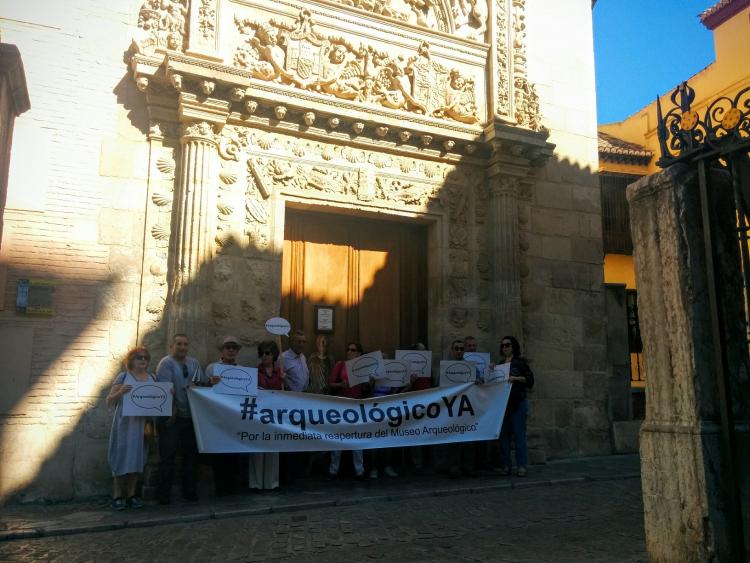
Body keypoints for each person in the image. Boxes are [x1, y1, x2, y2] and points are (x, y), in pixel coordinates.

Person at [156, 333, 204, 504]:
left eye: (185, 344)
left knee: (190, 457)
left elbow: (201, 383)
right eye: (179, 344)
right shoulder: (166, 363)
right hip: (172, 417)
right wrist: (172, 412)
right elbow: (165, 390)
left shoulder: (194, 363)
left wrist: (197, 385)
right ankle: (163, 496)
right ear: (172, 346)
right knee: (167, 457)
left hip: (191, 417)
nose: (183, 347)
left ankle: (189, 492)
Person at [106, 346, 155, 510]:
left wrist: (167, 394)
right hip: (124, 424)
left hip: (142, 424)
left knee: (137, 459)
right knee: (120, 457)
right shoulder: (123, 376)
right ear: (131, 360)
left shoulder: (151, 378)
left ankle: (132, 495)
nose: (142, 360)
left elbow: (156, 401)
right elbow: (109, 400)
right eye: (139, 357)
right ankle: (117, 495)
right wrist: (120, 392)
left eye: (145, 358)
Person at [201, 335, 244, 496]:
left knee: (234, 451)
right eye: (228, 347)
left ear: (238, 351)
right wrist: (210, 383)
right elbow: (202, 389)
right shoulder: (212, 368)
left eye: (234, 348)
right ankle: (220, 486)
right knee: (219, 452)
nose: (231, 350)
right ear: (222, 350)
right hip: (217, 415)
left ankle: (232, 486)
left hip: (234, 416)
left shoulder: (242, 370)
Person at [327, 342, 368, 481]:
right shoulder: (340, 365)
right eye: (348, 349)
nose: (349, 352)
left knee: (357, 440)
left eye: (353, 349)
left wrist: (371, 381)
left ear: (359, 353)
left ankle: (359, 471)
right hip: (340, 407)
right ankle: (333, 470)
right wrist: (340, 384)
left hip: (356, 406)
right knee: (337, 439)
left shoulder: (363, 368)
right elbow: (331, 383)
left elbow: (366, 388)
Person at [249, 340, 285, 491]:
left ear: (274, 355)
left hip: (275, 414)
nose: (264, 356)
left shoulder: (280, 372)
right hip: (258, 414)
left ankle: (272, 483)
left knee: (273, 447)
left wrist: (283, 381)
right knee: (257, 448)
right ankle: (256, 483)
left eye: (268, 353)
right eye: (262, 353)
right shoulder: (254, 373)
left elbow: (284, 394)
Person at [498, 336, 535, 477]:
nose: (505, 347)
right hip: (503, 405)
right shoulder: (500, 364)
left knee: (519, 436)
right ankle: (506, 465)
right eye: (502, 346)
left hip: (518, 404)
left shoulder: (520, 363)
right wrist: (491, 370)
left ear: (513, 346)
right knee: (503, 437)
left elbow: (531, 380)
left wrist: (516, 379)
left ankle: (521, 466)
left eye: (507, 345)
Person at [278, 329, 309, 483]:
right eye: (298, 341)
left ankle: (298, 471)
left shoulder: (303, 357)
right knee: (287, 438)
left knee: (300, 437)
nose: (301, 344)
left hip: (302, 403)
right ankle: (285, 474)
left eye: (304, 342)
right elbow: (279, 378)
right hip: (289, 404)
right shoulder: (283, 358)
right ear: (292, 342)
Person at [444, 339, 476, 478]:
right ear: (452, 350)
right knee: (454, 439)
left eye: (461, 349)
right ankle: (454, 467)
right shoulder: (445, 367)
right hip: (452, 407)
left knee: (469, 438)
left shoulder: (471, 367)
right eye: (456, 348)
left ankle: (468, 467)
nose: (459, 351)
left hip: (467, 406)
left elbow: (478, 383)